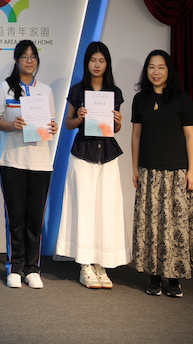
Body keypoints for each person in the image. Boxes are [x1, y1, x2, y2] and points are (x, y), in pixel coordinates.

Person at [55, 41, 128, 289]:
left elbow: (115, 128)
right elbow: (67, 124)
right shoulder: (78, 90)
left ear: (107, 64)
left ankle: (101, 263)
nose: (97, 65)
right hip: (83, 153)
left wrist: (118, 121)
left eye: (101, 61)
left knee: (106, 207)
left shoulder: (114, 92)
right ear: (87, 63)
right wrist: (79, 118)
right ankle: (85, 265)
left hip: (107, 154)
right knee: (84, 207)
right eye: (93, 60)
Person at [131, 50, 193, 298]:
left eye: (161, 67)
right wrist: (134, 169)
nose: (156, 72)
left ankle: (174, 278)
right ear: (146, 71)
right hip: (149, 172)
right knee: (152, 226)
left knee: (174, 227)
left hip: (176, 173)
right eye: (151, 67)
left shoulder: (182, 99)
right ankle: (154, 276)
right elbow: (136, 136)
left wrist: (192, 171)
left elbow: (191, 136)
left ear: (168, 70)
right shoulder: (140, 99)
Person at [0, 40, 57, 289]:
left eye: (33, 57)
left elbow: (50, 122)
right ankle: (14, 268)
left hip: (40, 163)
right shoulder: (5, 88)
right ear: (16, 60)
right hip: (13, 161)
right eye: (24, 57)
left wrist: (52, 127)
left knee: (34, 219)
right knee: (15, 218)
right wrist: (12, 125)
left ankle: (33, 269)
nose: (29, 61)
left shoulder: (46, 91)